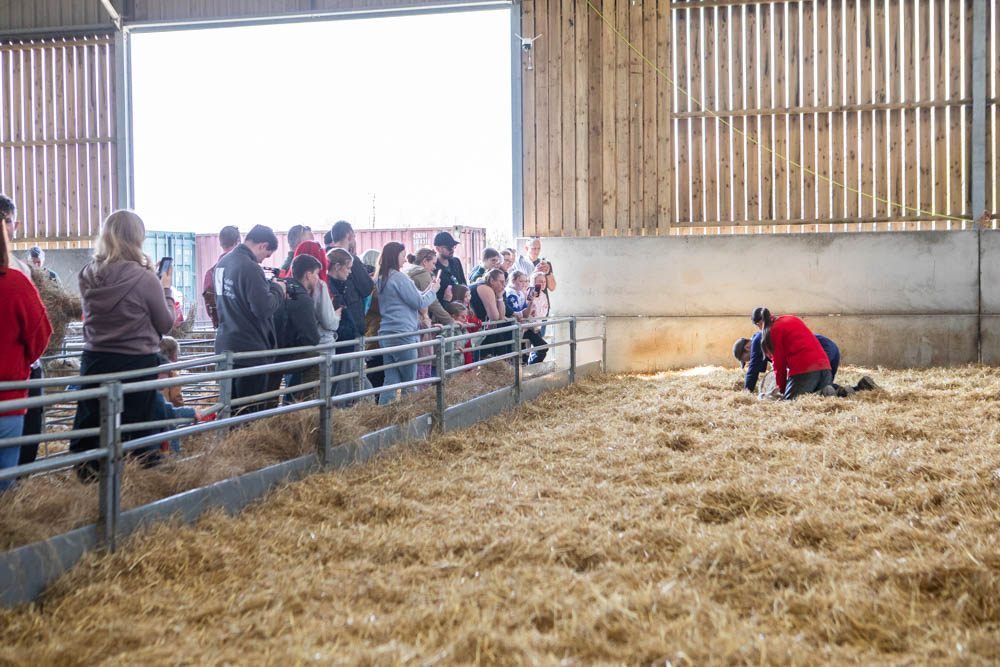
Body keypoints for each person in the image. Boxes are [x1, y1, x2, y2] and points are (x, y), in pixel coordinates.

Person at [69, 210, 176, 476]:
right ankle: (143, 483)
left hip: (95, 360)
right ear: (137, 238)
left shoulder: (87, 274)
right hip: (136, 362)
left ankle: (88, 479)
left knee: (93, 423)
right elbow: (165, 324)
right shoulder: (145, 279)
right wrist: (166, 291)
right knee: (140, 426)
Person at [0, 212, 52, 490]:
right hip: (8, 398)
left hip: (10, 396)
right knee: (7, 482)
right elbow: (40, 334)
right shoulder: (17, 283)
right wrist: (23, 362)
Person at [214, 224, 286, 410]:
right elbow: (263, 308)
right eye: (266, 255)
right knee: (249, 412)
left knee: (228, 409)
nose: (262, 261)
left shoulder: (222, 264)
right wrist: (278, 290)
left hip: (226, 346)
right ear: (263, 245)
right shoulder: (251, 268)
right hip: (249, 351)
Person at [374, 241, 438, 405]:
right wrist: (434, 292)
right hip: (404, 334)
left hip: (387, 334)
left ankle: (383, 415)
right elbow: (418, 302)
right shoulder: (399, 277)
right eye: (402, 256)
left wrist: (428, 290)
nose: (405, 260)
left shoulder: (381, 277)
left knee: (391, 380)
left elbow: (413, 298)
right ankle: (408, 416)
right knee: (410, 383)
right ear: (395, 257)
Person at [733, 334, 879, 397]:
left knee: (807, 391)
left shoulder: (759, 341)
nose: (750, 362)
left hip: (819, 349)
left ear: (747, 348)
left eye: (747, 359)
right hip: (828, 347)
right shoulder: (768, 344)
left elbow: (752, 372)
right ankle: (860, 388)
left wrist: (746, 394)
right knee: (823, 390)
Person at [751, 307, 833, 400]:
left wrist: (781, 390)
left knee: (790, 401)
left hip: (805, 370)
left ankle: (822, 392)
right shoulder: (791, 318)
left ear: (759, 324)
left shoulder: (772, 332)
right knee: (820, 399)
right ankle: (838, 392)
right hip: (825, 367)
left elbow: (779, 364)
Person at [328, 220, 374, 343]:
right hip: (352, 326)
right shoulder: (352, 260)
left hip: (334, 329)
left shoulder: (326, 257)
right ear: (349, 235)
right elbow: (367, 288)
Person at [504, 271, 547, 365]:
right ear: (513, 281)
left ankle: (528, 369)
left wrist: (531, 304)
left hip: (525, 327)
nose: (524, 284)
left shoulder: (521, 294)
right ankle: (521, 373)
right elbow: (521, 314)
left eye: (525, 281)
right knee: (519, 353)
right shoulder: (511, 294)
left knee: (527, 352)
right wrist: (529, 307)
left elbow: (525, 313)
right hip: (515, 328)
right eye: (521, 281)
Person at [203, 225, 241, 328]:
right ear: (238, 241)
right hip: (245, 332)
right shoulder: (246, 268)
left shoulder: (211, 273)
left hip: (222, 331)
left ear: (221, 243)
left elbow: (210, 307)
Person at [469, 268, 511, 358]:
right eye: (501, 282)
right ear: (492, 280)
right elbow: (495, 317)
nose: (503, 285)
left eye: (505, 282)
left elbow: (501, 316)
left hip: (476, 326)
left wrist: (500, 297)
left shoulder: (488, 288)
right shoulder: (486, 288)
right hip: (470, 327)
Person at [406, 248, 454, 326]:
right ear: (425, 262)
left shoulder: (408, 272)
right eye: (433, 263)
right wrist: (450, 321)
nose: (435, 267)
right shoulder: (422, 274)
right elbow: (433, 302)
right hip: (416, 321)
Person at [433, 231, 466, 304]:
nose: (452, 250)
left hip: (461, 305)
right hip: (445, 308)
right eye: (449, 248)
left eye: (454, 247)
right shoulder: (433, 268)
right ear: (437, 249)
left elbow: (463, 283)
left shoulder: (456, 262)